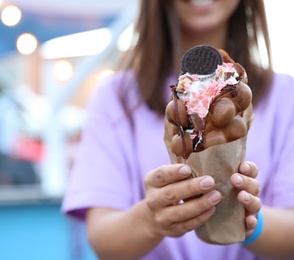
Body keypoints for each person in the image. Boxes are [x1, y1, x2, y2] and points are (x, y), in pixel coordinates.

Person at [62, 0, 294, 259]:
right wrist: (151, 220)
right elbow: (103, 238)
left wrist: (252, 221)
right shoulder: (115, 98)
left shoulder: (286, 97)